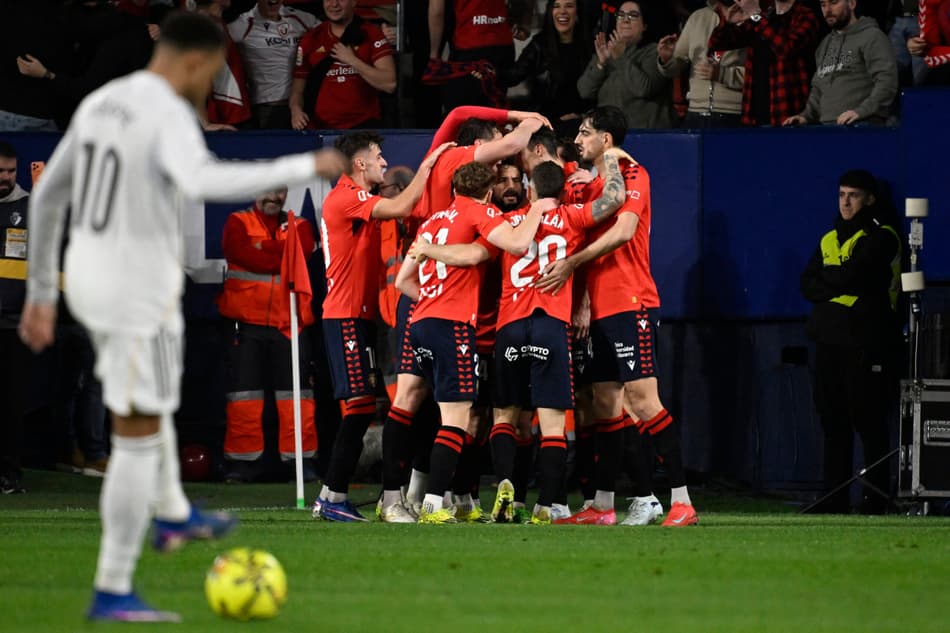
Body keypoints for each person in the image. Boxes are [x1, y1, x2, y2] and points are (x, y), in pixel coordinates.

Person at [18, 12, 345, 621]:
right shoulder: (164, 109)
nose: (209, 85)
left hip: (100, 278)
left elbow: (48, 197)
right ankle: (114, 586)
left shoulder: (102, 103)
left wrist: (41, 293)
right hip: (127, 286)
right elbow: (203, 179)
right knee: (135, 435)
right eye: (213, 72)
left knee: (151, 410)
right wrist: (305, 166)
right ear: (195, 60)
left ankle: (172, 511)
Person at [536, 106, 698, 527]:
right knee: (605, 405)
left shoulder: (634, 175)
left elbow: (624, 231)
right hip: (601, 309)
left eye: (585, 133)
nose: (579, 140)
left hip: (631, 301)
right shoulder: (589, 184)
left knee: (643, 400)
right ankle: (603, 506)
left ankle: (682, 501)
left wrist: (572, 265)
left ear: (606, 139)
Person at [395, 161, 550, 524]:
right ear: (487, 192)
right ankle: (433, 504)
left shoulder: (432, 222)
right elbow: (517, 243)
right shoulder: (481, 212)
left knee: (444, 414)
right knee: (457, 418)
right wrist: (539, 208)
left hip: (421, 322)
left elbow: (403, 281)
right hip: (453, 326)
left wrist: (432, 296)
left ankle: (450, 500)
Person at [312, 132, 453, 523]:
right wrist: (428, 165)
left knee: (363, 406)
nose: (384, 163)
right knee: (359, 406)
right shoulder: (346, 196)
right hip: (344, 314)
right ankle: (333, 496)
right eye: (378, 156)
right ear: (360, 164)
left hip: (357, 316)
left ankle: (328, 495)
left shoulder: (354, 199)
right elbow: (402, 203)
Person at [800, 169, 901, 514]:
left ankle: (875, 499)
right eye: (842, 194)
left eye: (853, 195)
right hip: (829, 340)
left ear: (869, 199)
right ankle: (835, 497)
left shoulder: (883, 236)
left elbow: (859, 276)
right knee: (833, 419)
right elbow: (808, 283)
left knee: (868, 419)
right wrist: (839, 282)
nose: (845, 202)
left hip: (867, 339)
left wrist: (831, 283)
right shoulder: (829, 237)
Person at [218, 188, 318, 482]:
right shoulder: (238, 222)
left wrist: (262, 247)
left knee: (297, 397)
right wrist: (281, 254)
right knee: (244, 397)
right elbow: (241, 254)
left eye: (280, 191)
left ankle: (300, 462)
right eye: (268, 190)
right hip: (245, 323)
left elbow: (300, 254)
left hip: (290, 323)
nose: (273, 197)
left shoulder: (301, 225)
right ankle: (243, 464)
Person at [783, 0, 898, 126]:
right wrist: (805, 116)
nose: (827, 10)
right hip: (827, 127)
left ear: (852, 4)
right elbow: (818, 88)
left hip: (862, 124)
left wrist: (861, 112)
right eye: (823, 4)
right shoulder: (825, 44)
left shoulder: (872, 36)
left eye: (834, 2)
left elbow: (887, 82)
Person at [706, 0, 820, 127]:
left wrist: (755, 15)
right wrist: (728, 23)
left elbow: (786, 49)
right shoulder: (765, 16)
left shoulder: (805, 15)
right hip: (754, 116)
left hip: (787, 115)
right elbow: (717, 44)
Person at [290, 0, 396, 130]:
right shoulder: (311, 39)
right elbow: (297, 90)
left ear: (353, 2)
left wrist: (352, 60)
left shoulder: (372, 34)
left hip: (362, 129)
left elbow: (389, 84)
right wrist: (296, 110)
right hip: (319, 129)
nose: (334, 4)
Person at [499, 0, 596, 135]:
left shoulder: (590, 45)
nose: (562, 11)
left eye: (569, 6)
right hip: (547, 124)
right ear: (550, 12)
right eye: (556, 6)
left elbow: (598, 91)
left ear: (577, 13)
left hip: (583, 122)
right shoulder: (539, 45)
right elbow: (511, 77)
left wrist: (583, 116)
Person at [577, 0, 673, 129]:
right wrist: (601, 63)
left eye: (633, 15)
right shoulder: (605, 50)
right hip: (610, 134)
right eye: (621, 15)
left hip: (645, 134)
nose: (625, 20)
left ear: (644, 25)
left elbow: (643, 89)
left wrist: (621, 58)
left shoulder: (655, 51)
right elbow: (584, 91)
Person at [227, 0, 319, 128]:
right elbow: (210, 44)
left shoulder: (301, 19)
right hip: (268, 108)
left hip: (304, 105)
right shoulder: (243, 24)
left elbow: (331, 31)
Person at [656, 1, 747, 127]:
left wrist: (722, 74)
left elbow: (761, 75)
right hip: (695, 112)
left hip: (734, 113)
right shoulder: (698, 17)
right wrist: (666, 59)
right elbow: (675, 68)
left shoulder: (752, 17)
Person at [0, 141, 30, 494]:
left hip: (13, 325)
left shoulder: (31, 209)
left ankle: (9, 473)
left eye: (10, 171)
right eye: (0, 171)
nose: (6, 177)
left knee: (10, 405)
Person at [428, 0, 515, 110]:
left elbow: (437, 12)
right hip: (502, 44)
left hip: (469, 45)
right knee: (494, 108)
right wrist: (524, 22)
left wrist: (434, 53)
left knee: (462, 110)